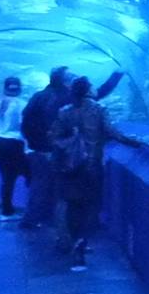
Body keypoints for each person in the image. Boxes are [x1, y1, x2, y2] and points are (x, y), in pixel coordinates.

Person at [50, 76, 142, 271]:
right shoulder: (98, 109)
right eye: (91, 86)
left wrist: (70, 144)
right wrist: (132, 141)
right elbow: (112, 132)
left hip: (70, 166)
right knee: (90, 205)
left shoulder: (65, 111)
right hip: (91, 166)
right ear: (87, 90)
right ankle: (81, 243)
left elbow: (54, 136)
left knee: (73, 205)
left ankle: (73, 240)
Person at [19, 66, 124, 230]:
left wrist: (33, 144)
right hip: (57, 151)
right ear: (63, 80)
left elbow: (25, 122)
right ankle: (65, 229)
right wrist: (117, 75)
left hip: (36, 150)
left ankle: (30, 220)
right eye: (70, 76)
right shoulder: (66, 98)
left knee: (38, 185)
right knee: (64, 192)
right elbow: (96, 94)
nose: (73, 78)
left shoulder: (38, 96)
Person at [0, 75, 28, 219]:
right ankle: (32, 211)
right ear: (20, 89)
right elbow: (24, 126)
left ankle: (7, 211)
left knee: (7, 178)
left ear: (5, 88)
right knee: (31, 175)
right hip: (14, 144)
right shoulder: (21, 104)